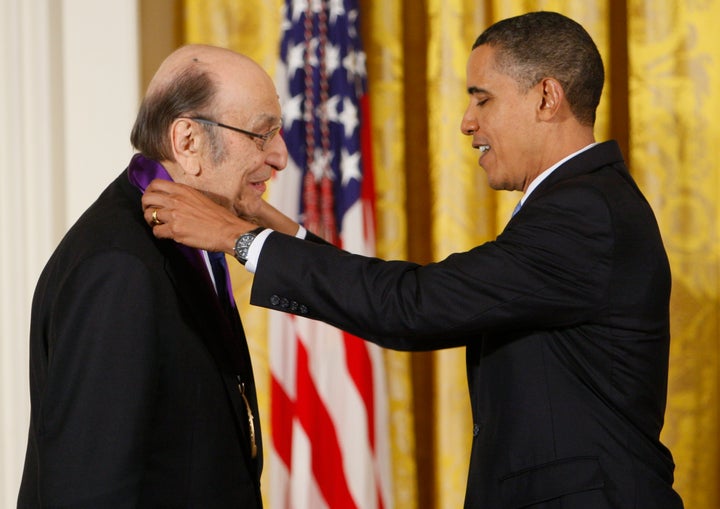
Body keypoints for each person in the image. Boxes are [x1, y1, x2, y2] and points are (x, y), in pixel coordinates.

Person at [141, 11, 684, 509]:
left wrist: (237, 237)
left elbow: (416, 306)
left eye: (482, 98)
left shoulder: (585, 212)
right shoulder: (583, 203)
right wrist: (285, 233)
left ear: (547, 98)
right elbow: (415, 301)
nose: (467, 123)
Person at [17, 44, 294, 508]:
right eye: (262, 135)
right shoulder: (118, 269)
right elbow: (89, 489)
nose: (280, 156)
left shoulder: (183, 236)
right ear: (188, 143)